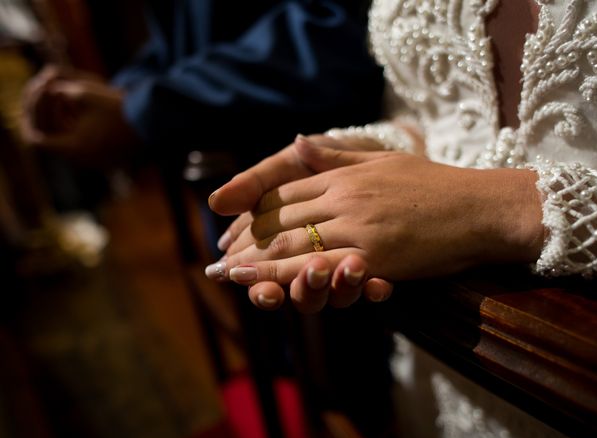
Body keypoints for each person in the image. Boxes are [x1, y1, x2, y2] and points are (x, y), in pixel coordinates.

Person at [206, 0, 597, 438]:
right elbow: (427, 110)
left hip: (595, 384)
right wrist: (362, 162)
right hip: (441, 359)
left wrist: (508, 205)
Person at [19, 0, 386, 256]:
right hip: (231, 199)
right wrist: (123, 93)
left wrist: (145, 108)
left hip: (325, 185)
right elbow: (176, 41)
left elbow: (331, 28)